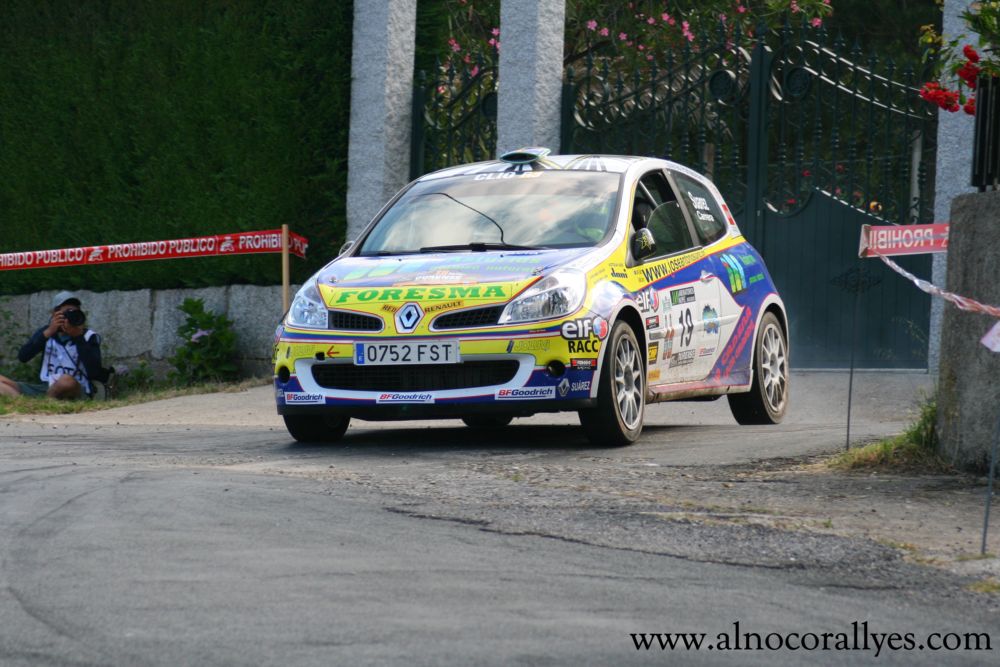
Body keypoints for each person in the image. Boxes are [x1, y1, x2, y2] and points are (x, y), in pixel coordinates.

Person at [0, 291, 106, 400]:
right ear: (55, 314)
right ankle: (28, 404)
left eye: (74, 313)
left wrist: (78, 337)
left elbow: (94, 372)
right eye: (66, 313)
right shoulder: (47, 332)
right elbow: (23, 357)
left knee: (66, 381)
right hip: (46, 387)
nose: (69, 317)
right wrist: (49, 332)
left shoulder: (88, 336)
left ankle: (43, 404)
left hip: (77, 389)